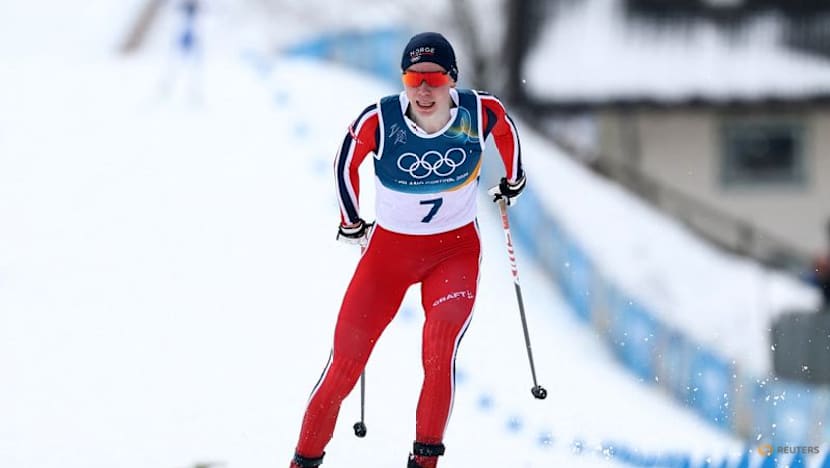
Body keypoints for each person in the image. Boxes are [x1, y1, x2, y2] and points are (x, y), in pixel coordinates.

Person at [288, 32, 527, 468]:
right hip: (388, 258)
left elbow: (506, 131)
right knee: (343, 367)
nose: (422, 89)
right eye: (413, 77)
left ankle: (423, 463)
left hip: (453, 253)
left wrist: (513, 179)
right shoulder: (380, 119)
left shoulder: (478, 111)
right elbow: (345, 165)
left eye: (434, 79)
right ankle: (302, 461)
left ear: (451, 80)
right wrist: (351, 220)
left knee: (439, 347)